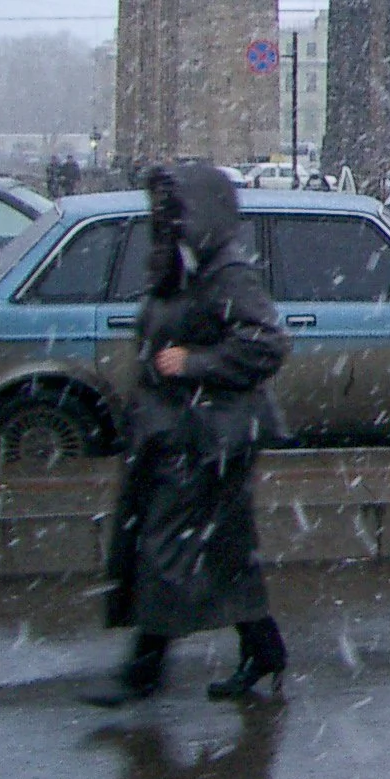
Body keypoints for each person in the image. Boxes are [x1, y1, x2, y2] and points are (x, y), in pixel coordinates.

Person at [84, 164, 291, 707]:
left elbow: (268, 342)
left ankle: (144, 669)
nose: (163, 220)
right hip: (179, 433)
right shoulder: (179, 268)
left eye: (173, 209)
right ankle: (264, 648)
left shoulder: (226, 272)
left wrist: (196, 363)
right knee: (221, 550)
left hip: (210, 439)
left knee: (166, 544)